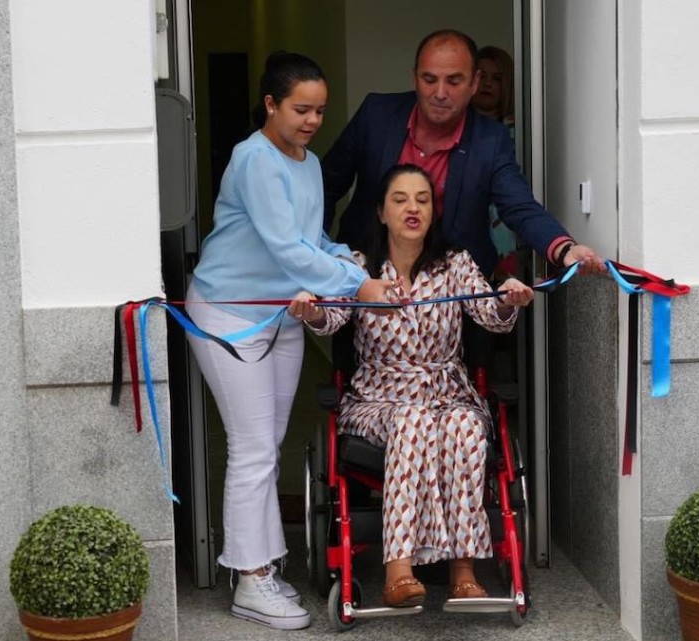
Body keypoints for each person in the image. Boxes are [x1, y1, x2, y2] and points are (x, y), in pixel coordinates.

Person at [185, 51, 397, 631]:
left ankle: (264, 567)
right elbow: (285, 249)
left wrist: (350, 260)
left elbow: (312, 241)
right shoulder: (253, 159)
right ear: (271, 103)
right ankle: (250, 581)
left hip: (283, 313)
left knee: (269, 445)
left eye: (320, 111)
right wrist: (360, 285)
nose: (311, 120)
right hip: (230, 314)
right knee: (252, 447)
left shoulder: (305, 162)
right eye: (301, 109)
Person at [289, 164, 535, 607]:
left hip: (448, 390)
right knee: (413, 418)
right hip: (378, 397)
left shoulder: (454, 264)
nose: (412, 208)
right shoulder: (357, 266)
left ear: (433, 210)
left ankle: (463, 568)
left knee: (463, 425)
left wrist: (507, 297)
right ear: (381, 211)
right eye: (400, 199)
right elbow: (334, 317)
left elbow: (487, 312)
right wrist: (311, 311)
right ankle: (398, 568)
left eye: (422, 199)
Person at [322, 29, 603, 278]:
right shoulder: (376, 115)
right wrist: (316, 257)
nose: (440, 93)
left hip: (457, 293)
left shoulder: (490, 139)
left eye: (454, 81)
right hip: (365, 281)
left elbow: (519, 206)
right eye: (429, 79)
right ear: (415, 78)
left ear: (474, 83)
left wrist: (565, 248)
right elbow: (325, 186)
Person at [472, 45, 519, 277]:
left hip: (507, 237)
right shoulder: (458, 129)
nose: (488, 84)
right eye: (483, 77)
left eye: (497, 78)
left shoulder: (520, 133)